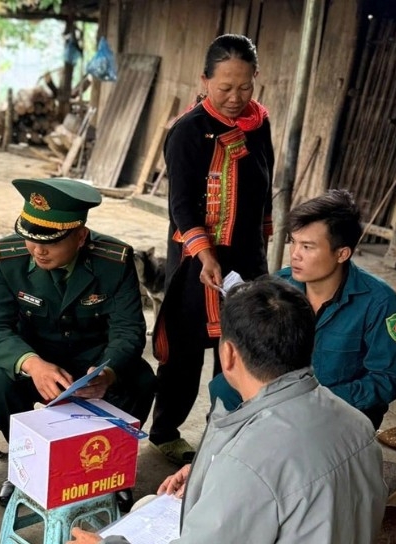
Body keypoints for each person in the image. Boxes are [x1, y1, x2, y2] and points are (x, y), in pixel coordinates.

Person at [67, 277, 388, 544]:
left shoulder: (247, 462)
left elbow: (260, 474)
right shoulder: (356, 421)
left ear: (229, 355)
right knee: (151, 503)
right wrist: (209, 470)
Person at [0, 178, 156, 509]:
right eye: (31, 238)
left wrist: (107, 374)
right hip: (36, 356)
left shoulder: (114, 261)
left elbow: (129, 329)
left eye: (51, 241)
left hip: (94, 359)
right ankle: (24, 460)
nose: (38, 249)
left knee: (141, 379)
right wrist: (32, 364)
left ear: (80, 236)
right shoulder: (7, 257)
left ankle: (112, 466)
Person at [149, 33, 275, 465]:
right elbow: (181, 204)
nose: (236, 98)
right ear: (204, 81)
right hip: (195, 257)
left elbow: (265, 184)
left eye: (245, 86)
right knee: (184, 350)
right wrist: (205, 254)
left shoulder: (260, 123)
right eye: (225, 87)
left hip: (246, 254)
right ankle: (165, 431)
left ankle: (225, 432)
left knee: (239, 347)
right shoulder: (187, 131)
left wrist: (263, 238)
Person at [209, 189, 396, 428]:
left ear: (342, 254)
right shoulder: (280, 285)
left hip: (339, 412)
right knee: (222, 388)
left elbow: (390, 378)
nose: (295, 255)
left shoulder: (379, 302)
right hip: (283, 400)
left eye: (307, 246)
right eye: (293, 242)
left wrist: (319, 400)